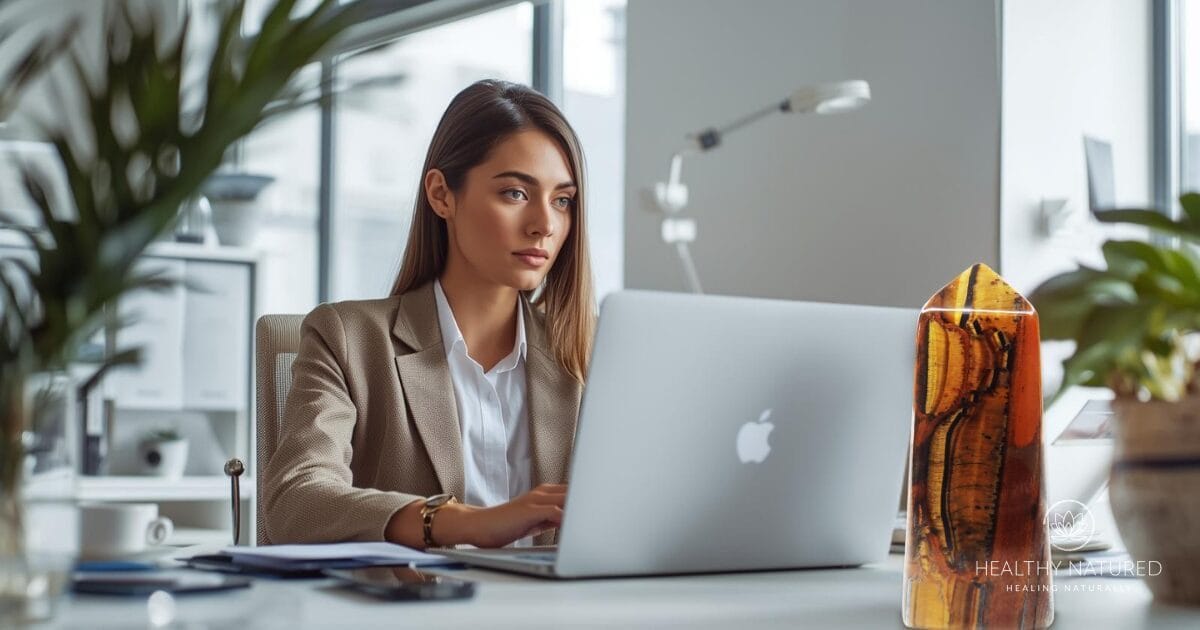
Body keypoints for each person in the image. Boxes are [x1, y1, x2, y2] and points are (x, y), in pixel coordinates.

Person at [262, 80, 596, 549]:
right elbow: (295, 501)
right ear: (442, 195)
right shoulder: (348, 339)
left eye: (562, 200)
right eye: (516, 193)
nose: (545, 223)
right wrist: (464, 522)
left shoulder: (594, 355)